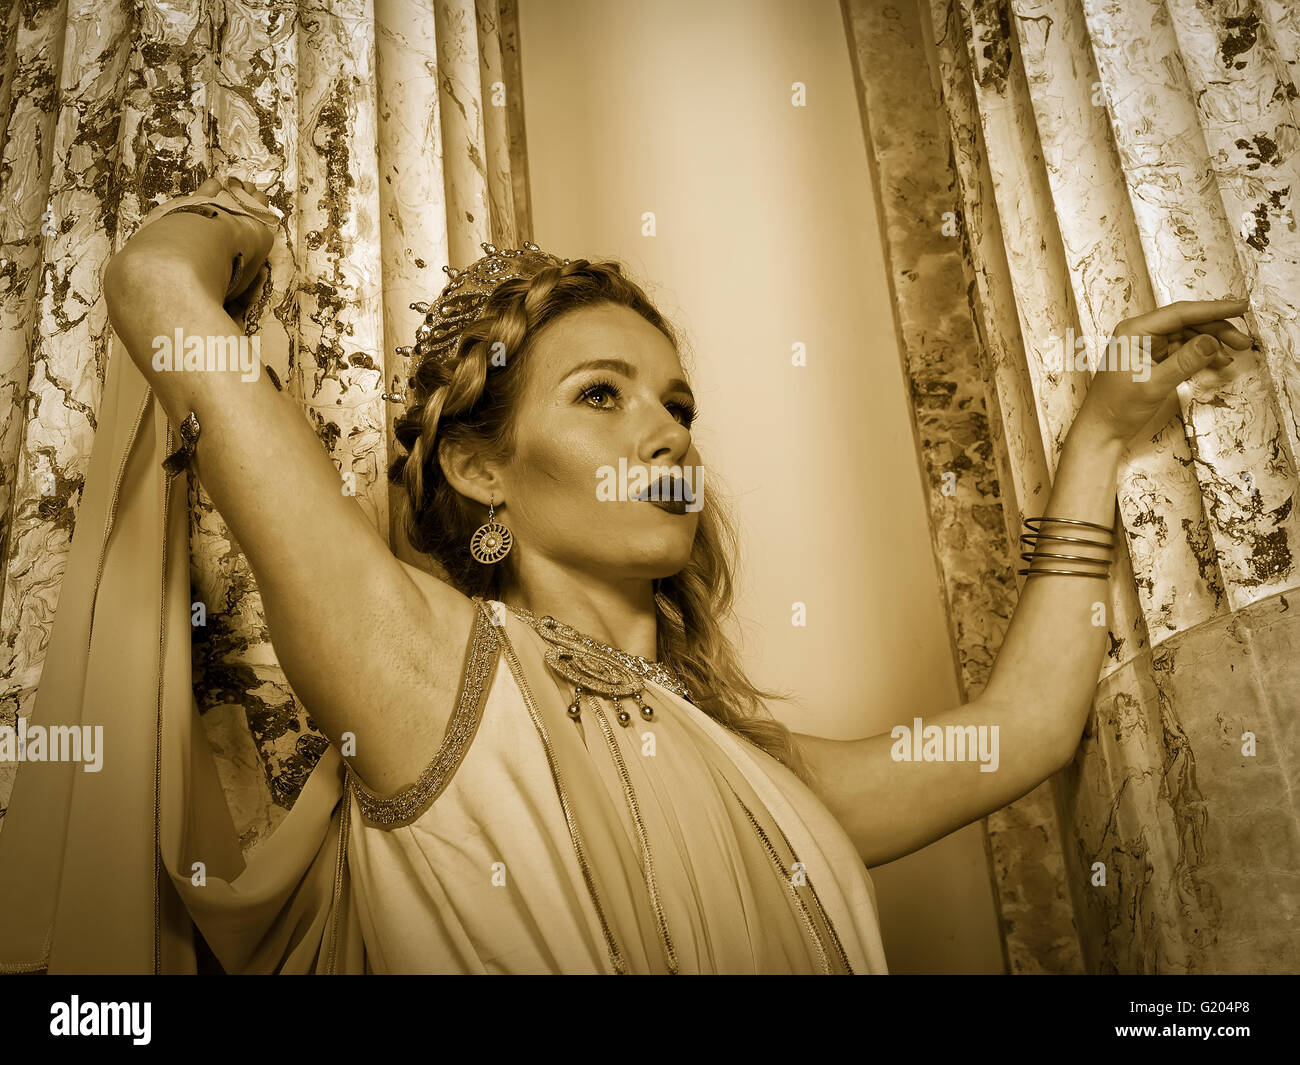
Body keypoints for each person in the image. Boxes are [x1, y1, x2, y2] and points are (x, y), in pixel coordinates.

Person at [0, 175, 1252, 974]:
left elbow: (1021, 732)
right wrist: (243, 220)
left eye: (678, 405)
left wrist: (1097, 439)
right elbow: (155, 287)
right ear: (483, 474)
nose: (667, 435)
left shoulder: (767, 777)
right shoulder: (419, 665)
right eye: (601, 397)